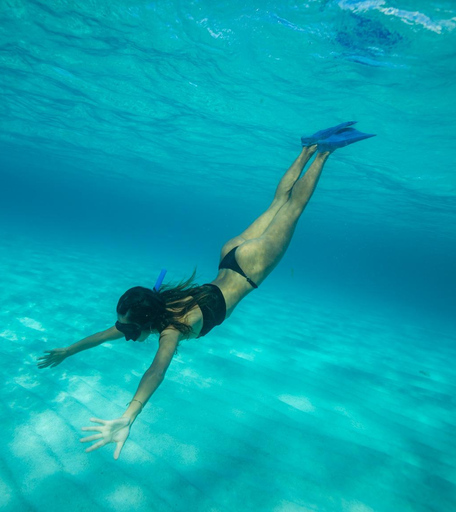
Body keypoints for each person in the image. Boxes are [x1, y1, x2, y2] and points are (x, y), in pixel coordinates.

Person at [36, 122, 375, 459]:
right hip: (230, 256)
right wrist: (68, 350)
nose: (123, 334)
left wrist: (128, 416)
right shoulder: (157, 305)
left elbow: (156, 371)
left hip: (249, 266)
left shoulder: (171, 330)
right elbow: (102, 335)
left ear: (146, 320)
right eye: (124, 326)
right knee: (277, 204)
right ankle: (306, 147)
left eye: (127, 328)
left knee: (291, 208)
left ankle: (323, 151)